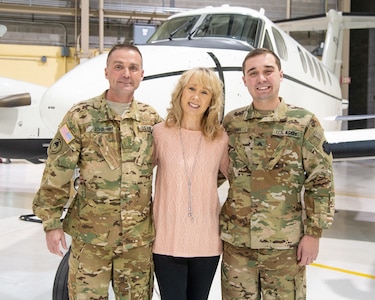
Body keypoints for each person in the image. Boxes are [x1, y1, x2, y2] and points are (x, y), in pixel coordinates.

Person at [32, 43, 162, 299]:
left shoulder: (151, 119)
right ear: (107, 73)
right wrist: (51, 223)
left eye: (133, 68)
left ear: (141, 74)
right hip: (91, 240)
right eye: (119, 67)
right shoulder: (81, 117)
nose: (126, 73)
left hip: (136, 242)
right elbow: (57, 172)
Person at [220, 48, 335, 299]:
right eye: (253, 73)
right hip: (238, 246)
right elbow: (210, 173)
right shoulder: (231, 123)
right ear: (245, 80)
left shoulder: (304, 123)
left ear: (280, 75)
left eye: (268, 71)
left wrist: (314, 234)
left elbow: (321, 181)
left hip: (285, 247)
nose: (261, 78)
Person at [152, 67, 229, 300]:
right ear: (181, 93)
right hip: (167, 240)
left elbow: (241, 180)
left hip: (206, 242)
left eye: (205, 92)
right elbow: (136, 174)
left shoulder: (220, 138)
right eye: (191, 89)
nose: (196, 97)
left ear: (212, 101)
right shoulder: (159, 133)